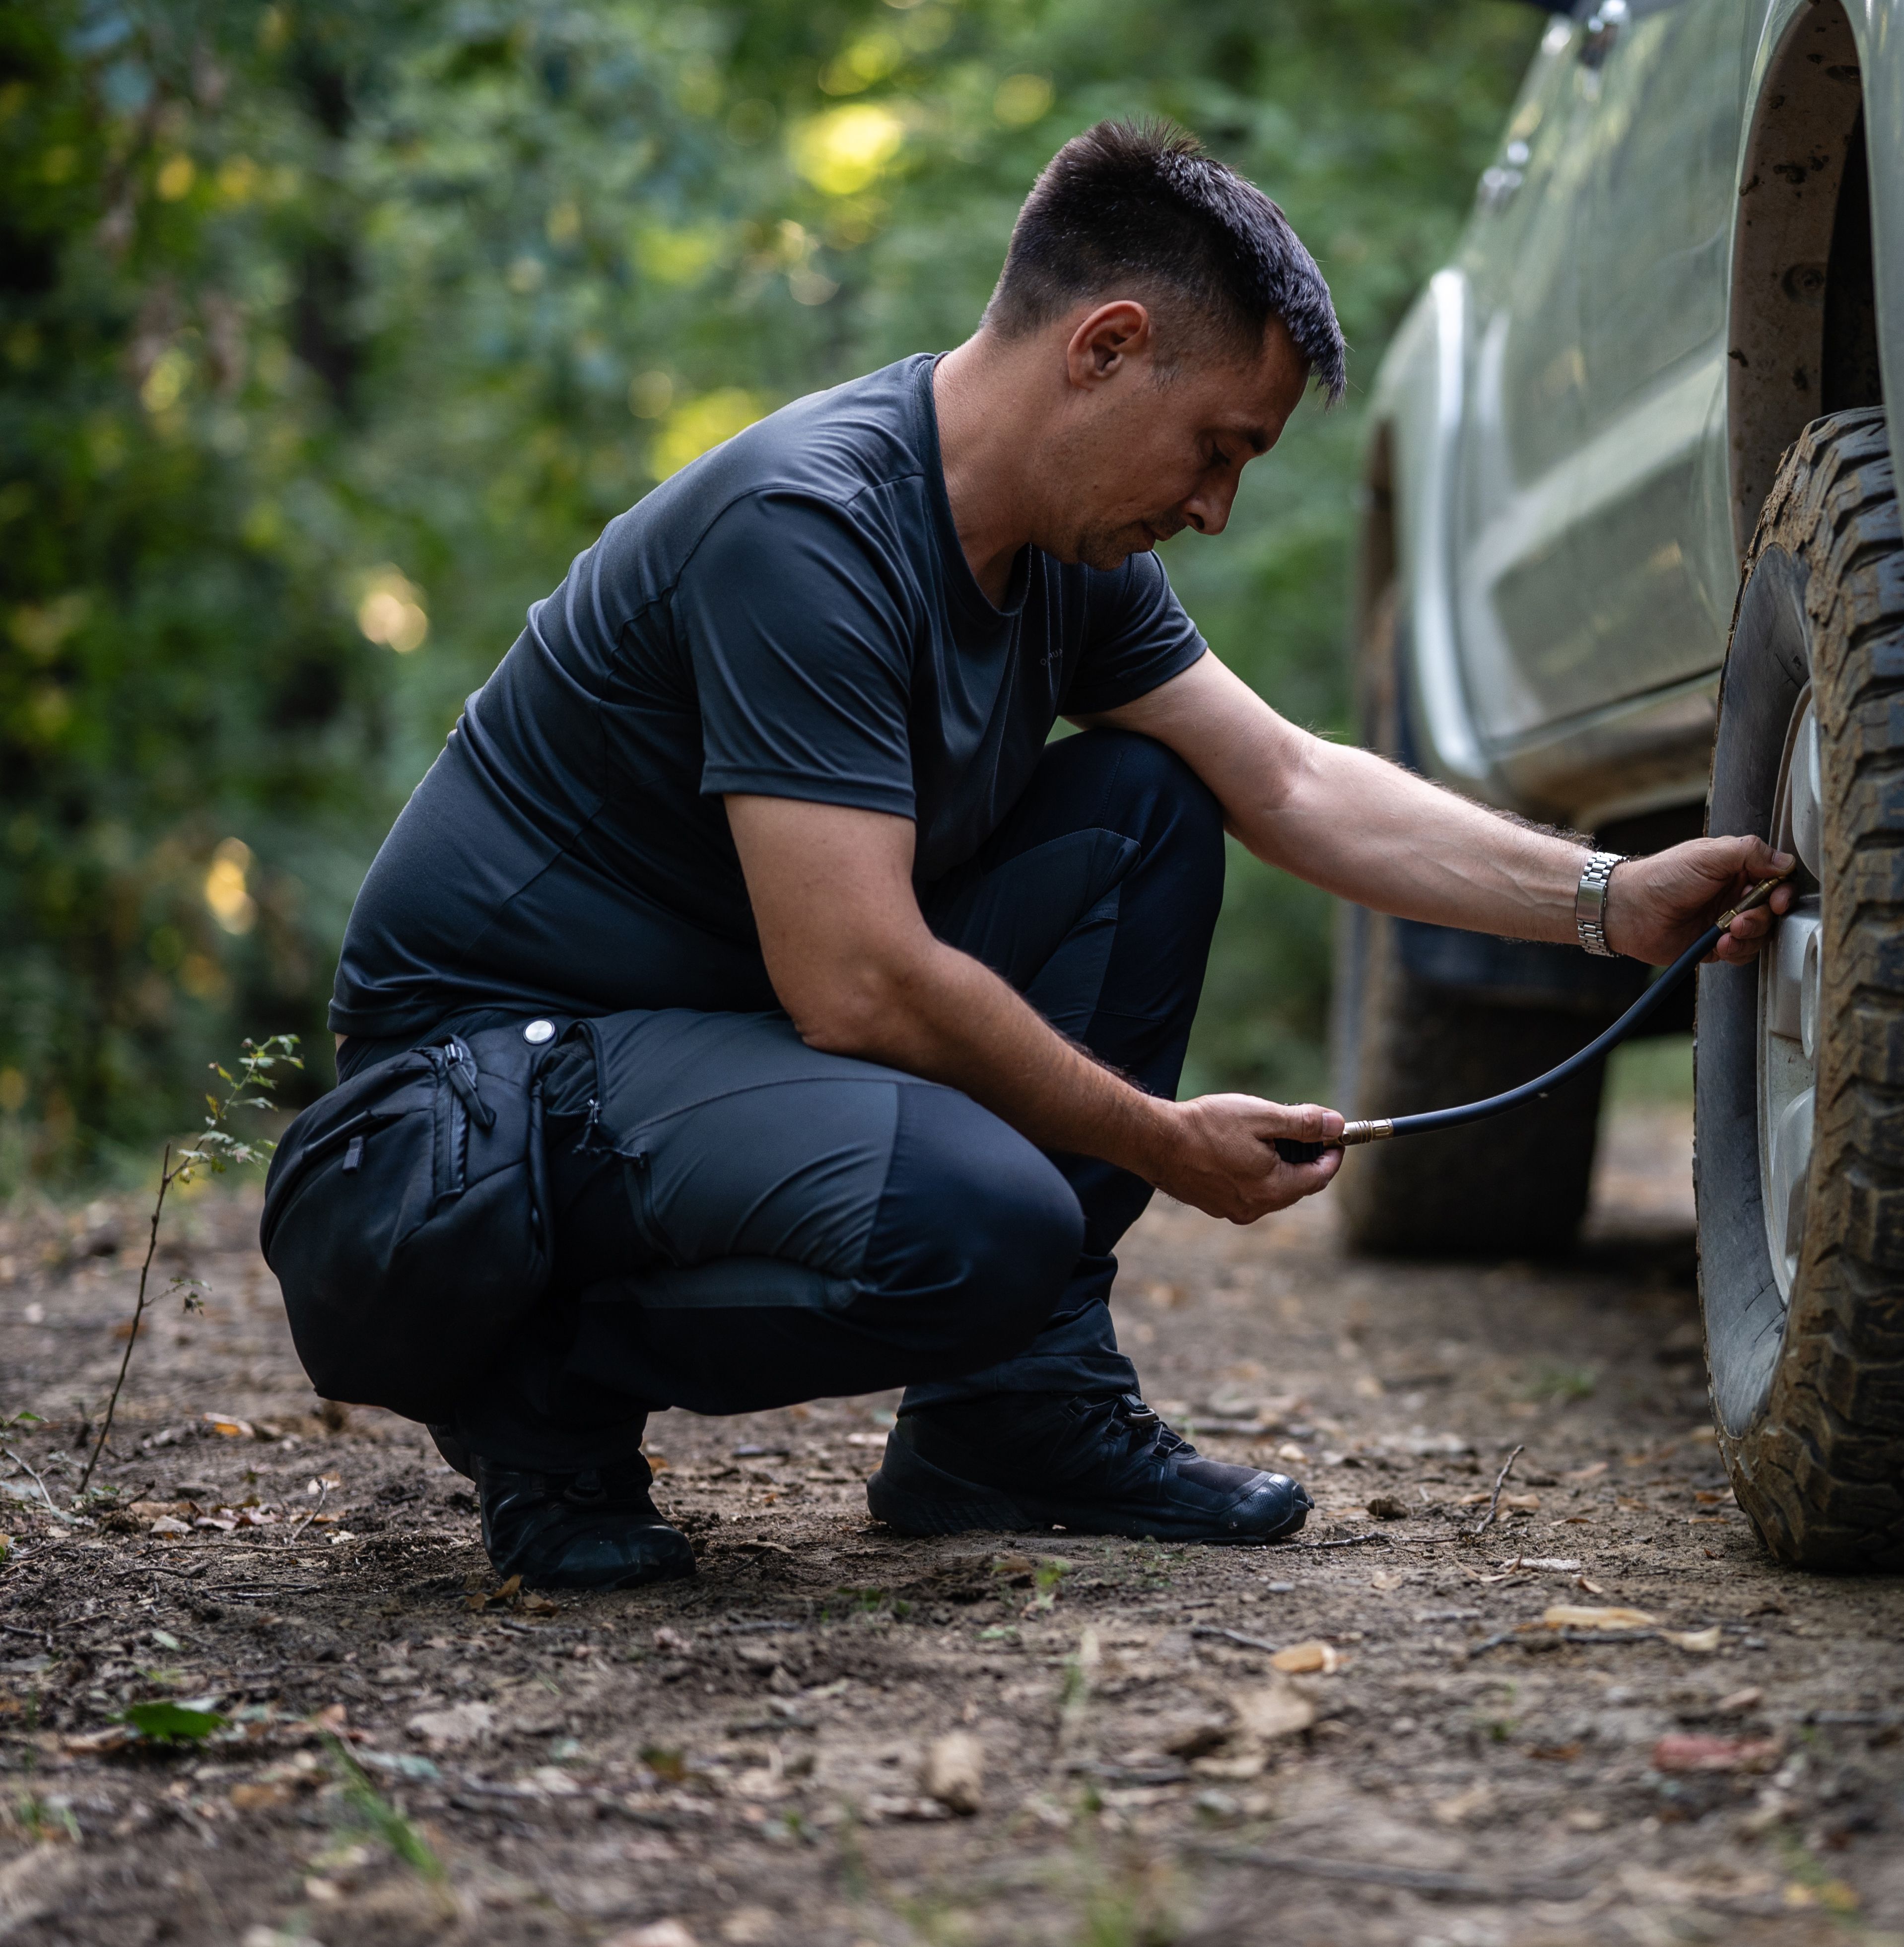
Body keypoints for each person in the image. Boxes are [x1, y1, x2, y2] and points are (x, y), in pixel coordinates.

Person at [321, 120, 1791, 1590]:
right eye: (1218, 448)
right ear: (1106, 346)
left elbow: (1285, 777)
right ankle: (538, 1397)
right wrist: (1162, 1141)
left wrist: (1611, 900)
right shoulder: (810, 530)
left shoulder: (1060, 560)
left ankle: (1009, 1415)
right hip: (475, 1104)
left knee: (1151, 802)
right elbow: (859, 986)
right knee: (981, 1223)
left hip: (701, 1029)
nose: (1216, 507)